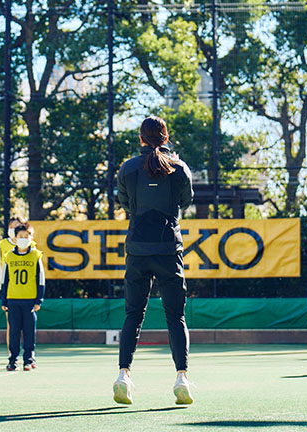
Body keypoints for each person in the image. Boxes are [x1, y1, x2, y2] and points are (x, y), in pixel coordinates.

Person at [113, 115, 194, 406]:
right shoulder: (179, 167)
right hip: (168, 250)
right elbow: (185, 202)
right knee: (176, 316)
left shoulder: (128, 168)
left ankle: (124, 375)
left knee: (133, 315)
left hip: (137, 250)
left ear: (141, 138)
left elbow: (126, 203)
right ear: (166, 136)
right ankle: (181, 377)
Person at [1, 221, 45, 371]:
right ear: (15, 238)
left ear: (31, 238)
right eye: (21, 236)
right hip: (13, 300)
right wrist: (4, 300)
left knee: (29, 331)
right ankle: (13, 359)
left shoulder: (35, 255)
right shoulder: (9, 256)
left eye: (27, 236)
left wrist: (39, 299)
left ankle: (28, 359)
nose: (24, 239)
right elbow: (5, 280)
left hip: (29, 301)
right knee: (14, 331)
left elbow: (40, 279)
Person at [0, 218, 28, 351]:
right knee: (12, 324)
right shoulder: (3, 245)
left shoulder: (31, 245)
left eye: (17, 226)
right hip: (11, 291)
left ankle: (29, 354)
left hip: (27, 291)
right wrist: (2, 287)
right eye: (12, 226)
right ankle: (12, 353)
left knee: (27, 325)